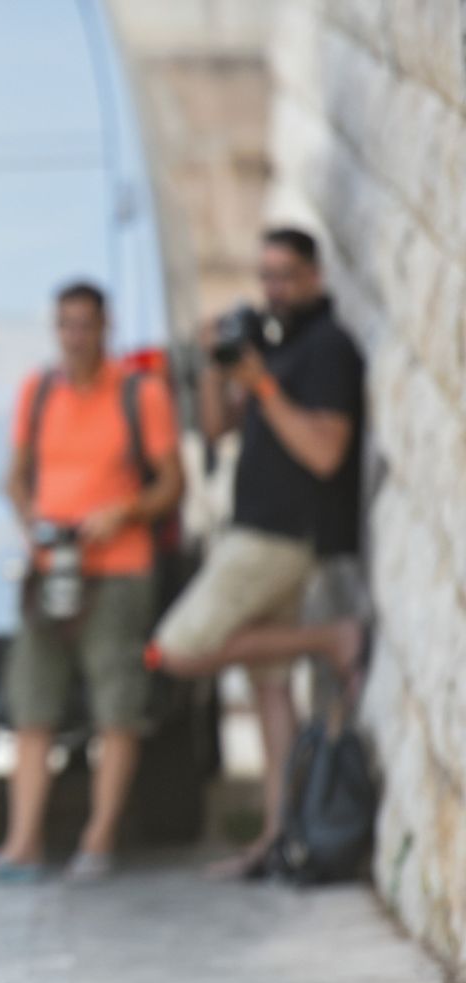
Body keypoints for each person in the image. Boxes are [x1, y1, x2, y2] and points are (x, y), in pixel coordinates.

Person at [149, 227, 367, 878]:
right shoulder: (277, 344)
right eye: (266, 275)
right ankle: (278, 837)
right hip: (260, 529)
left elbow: (325, 453)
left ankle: (332, 638)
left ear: (315, 276)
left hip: (282, 536)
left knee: (176, 650)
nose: (274, 288)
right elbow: (218, 427)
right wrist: (215, 365)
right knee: (272, 693)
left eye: (286, 275)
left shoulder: (328, 348)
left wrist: (264, 385)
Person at [0, 282, 183, 883]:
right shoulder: (39, 390)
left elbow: (171, 484)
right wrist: (33, 522)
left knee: (117, 707)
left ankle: (98, 842)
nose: (75, 337)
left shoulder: (140, 392)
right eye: (66, 325)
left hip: (118, 569)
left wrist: (124, 512)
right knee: (31, 705)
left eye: (86, 325)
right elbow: (15, 478)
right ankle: (22, 846)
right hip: (51, 568)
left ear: (106, 327)